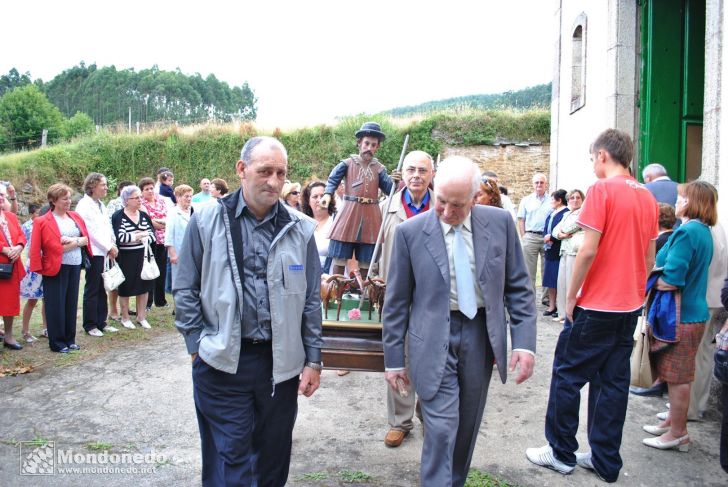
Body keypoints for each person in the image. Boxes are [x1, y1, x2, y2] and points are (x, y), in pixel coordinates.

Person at [174, 136, 323, 486]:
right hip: (223, 362)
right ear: (242, 170)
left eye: (281, 173)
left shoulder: (300, 229)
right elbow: (185, 288)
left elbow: (310, 300)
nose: (273, 181)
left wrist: (313, 359)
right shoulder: (206, 220)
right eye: (265, 171)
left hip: (279, 367)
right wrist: (197, 346)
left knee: (273, 459)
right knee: (230, 458)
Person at [383, 156, 536, 487]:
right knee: (441, 429)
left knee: (466, 427)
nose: (448, 212)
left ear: (475, 197)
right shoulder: (410, 233)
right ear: (435, 187)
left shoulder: (499, 224)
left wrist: (524, 343)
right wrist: (394, 360)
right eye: (441, 202)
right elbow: (395, 303)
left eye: (458, 205)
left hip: (481, 336)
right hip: (432, 337)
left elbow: (519, 288)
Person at [526, 129, 658, 482]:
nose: (593, 165)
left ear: (602, 156)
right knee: (612, 384)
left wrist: (571, 296)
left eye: (592, 158)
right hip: (628, 306)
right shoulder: (646, 196)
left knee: (567, 376)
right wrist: (638, 293)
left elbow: (588, 249)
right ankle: (604, 459)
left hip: (597, 304)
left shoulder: (601, 190)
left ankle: (561, 452)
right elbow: (650, 255)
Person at [642, 181, 716, 452]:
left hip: (682, 315)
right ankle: (673, 423)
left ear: (691, 202)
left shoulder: (687, 232)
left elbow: (673, 278)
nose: (676, 200)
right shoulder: (702, 231)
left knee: (677, 377)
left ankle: (677, 433)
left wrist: (650, 281)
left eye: (681, 197)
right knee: (677, 375)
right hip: (692, 312)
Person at [375, 150, 435, 449]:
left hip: (431, 296)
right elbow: (374, 249)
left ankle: (429, 416)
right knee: (398, 355)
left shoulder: (442, 206)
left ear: (431, 175)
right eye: (411, 169)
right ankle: (400, 422)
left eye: (423, 170)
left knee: (433, 356)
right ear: (403, 173)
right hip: (397, 293)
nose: (416, 175)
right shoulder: (387, 208)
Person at [320, 122, 399, 280]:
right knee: (340, 250)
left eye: (373, 145)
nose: (369, 147)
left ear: (377, 147)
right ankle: (337, 288)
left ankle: (362, 288)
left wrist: (395, 182)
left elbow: (389, 190)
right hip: (349, 212)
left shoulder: (379, 169)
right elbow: (333, 179)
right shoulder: (347, 163)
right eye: (366, 143)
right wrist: (328, 194)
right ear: (359, 143)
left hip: (371, 215)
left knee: (366, 255)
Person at [29, 183, 93, 353]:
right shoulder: (43, 221)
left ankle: (70, 339)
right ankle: (57, 342)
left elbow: (85, 238)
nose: (68, 201)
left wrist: (73, 241)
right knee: (55, 305)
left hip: (74, 265)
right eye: (64, 198)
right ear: (53, 200)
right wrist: (76, 242)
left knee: (71, 304)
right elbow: (51, 247)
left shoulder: (74, 217)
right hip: (55, 266)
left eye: (69, 198)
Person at [688, 215, 728, 420]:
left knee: (695, 354)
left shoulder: (705, 228)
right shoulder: (717, 226)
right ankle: (696, 404)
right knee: (703, 353)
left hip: (703, 296)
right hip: (713, 296)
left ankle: (690, 407)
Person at [75, 173, 119, 337]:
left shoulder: (101, 204)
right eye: (103, 185)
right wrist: (108, 247)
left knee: (103, 287)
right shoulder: (84, 205)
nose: (106, 188)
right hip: (95, 251)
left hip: (105, 250)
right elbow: (90, 231)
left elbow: (107, 226)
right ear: (92, 186)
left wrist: (112, 243)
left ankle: (102, 321)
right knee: (93, 287)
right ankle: (90, 324)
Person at [111, 185, 155, 330]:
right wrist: (138, 235)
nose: (139, 200)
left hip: (143, 255)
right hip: (126, 257)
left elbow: (152, 234)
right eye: (136, 198)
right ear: (126, 200)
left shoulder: (143, 215)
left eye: (140, 197)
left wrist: (140, 236)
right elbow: (120, 237)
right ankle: (125, 317)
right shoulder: (118, 216)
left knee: (144, 286)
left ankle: (141, 317)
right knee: (126, 287)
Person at [551, 189, 585, 323]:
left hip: (574, 251)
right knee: (562, 283)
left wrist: (562, 232)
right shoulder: (566, 214)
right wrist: (561, 234)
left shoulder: (583, 212)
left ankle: (571, 314)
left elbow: (572, 226)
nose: (575, 200)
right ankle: (562, 313)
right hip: (564, 250)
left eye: (578, 197)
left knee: (571, 283)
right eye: (572, 198)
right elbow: (555, 230)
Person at [0, 183, 27, 350]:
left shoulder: (10, 216)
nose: (1, 198)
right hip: (2, 260)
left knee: (10, 302)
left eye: (2, 195)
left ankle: (8, 336)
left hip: (10, 266)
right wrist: (3, 248)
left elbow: (21, 235)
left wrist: (18, 247)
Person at [517, 172, 551, 304]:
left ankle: (546, 298)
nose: (539, 185)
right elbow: (521, 219)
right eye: (536, 182)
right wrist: (524, 236)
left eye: (541, 182)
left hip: (546, 237)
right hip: (530, 236)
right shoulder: (526, 200)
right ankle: (529, 298)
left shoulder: (551, 200)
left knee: (546, 269)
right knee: (528, 270)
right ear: (532, 184)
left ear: (545, 184)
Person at [139, 177, 168, 309]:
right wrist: (161, 223)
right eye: (147, 189)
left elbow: (168, 217)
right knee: (150, 269)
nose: (150, 191)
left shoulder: (161, 201)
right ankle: (148, 302)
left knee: (162, 270)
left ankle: (160, 300)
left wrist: (162, 222)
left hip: (163, 240)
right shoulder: (141, 204)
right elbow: (151, 223)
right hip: (150, 240)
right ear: (142, 191)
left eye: (151, 188)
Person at [105, 181, 133, 323]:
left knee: (127, 279)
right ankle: (113, 309)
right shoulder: (113, 204)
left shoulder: (136, 203)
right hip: (116, 245)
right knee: (115, 278)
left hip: (131, 246)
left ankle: (125, 309)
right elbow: (109, 223)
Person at [20, 203, 46, 342]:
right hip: (35, 267)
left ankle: (46, 328)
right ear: (32, 214)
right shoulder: (27, 226)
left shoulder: (45, 224)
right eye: (37, 213)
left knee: (46, 299)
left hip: (46, 265)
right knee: (32, 300)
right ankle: (25, 330)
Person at [541, 189, 569, 317]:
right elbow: (546, 227)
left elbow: (564, 230)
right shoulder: (552, 213)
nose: (551, 201)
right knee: (551, 280)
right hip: (549, 249)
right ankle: (552, 306)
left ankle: (560, 306)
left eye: (553, 199)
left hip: (558, 248)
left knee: (559, 280)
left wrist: (552, 238)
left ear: (559, 200)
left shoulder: (565, 213)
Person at [301, 180, 336, 272]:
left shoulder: (337, 222)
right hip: (307, 279)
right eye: (315, 196)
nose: (319, 199)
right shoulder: (301, 223)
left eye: (323, 195)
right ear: (308, 201)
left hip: (332, 280)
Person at [165, 184, 193, 287]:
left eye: (190, 196)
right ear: (178, 197)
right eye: (186, 196)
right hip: (178, 250)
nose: (189, 198)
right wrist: (172, 254)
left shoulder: (194, 210)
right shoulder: (173, 213)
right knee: (179, 279)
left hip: (193, 250)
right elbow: (169, 235)